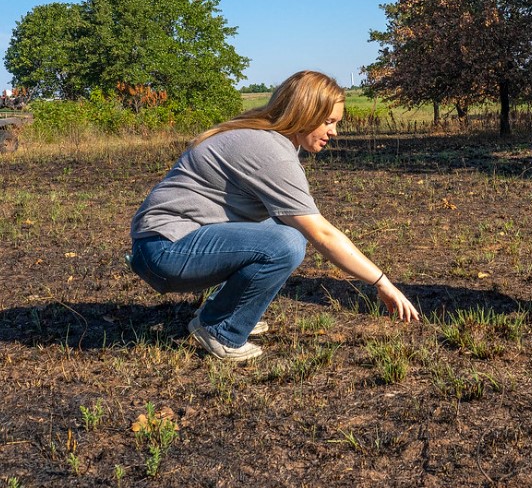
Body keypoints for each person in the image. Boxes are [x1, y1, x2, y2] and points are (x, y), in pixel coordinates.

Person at [130, 70, 420, 362]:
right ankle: (221, 329)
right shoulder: (271, 153)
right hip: (165, 251)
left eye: (337, 123)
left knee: (281, 224)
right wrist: (382, 282)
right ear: (304, 113)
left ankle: (229, 311)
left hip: (166, 245)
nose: (334, 132)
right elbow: (322, 234)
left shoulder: (266, 138)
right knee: (288, 241)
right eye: (328, 122)